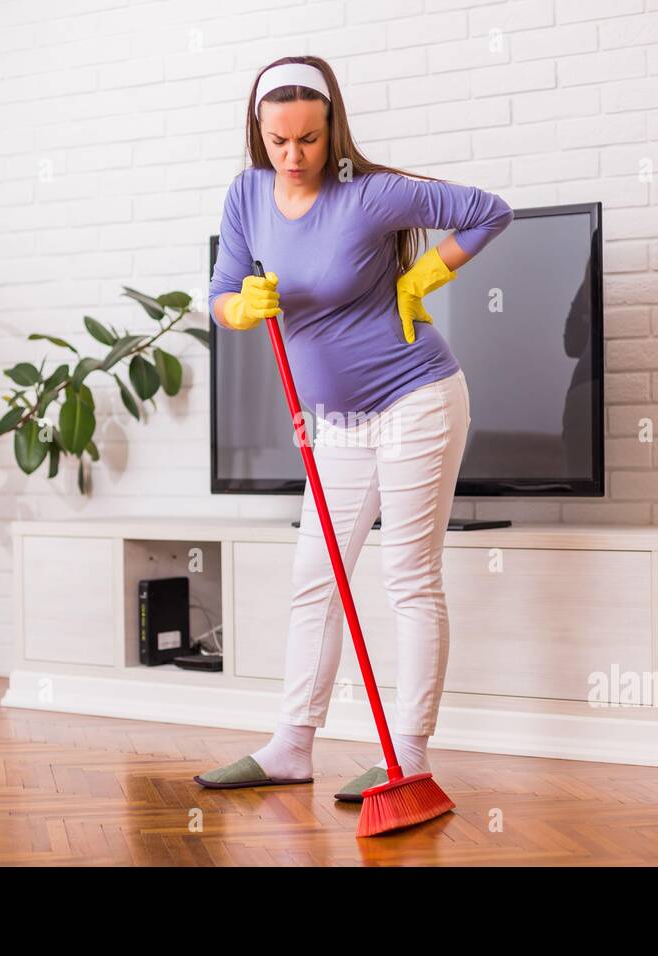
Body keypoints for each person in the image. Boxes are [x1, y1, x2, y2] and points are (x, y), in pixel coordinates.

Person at [195, 55, 512, 802]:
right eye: (278, 141)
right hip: (334, 423)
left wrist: (425, 274)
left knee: (408, 578)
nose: (294, 156)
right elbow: (218, 293)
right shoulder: (247, 195)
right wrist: (242, 308)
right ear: (258, 135)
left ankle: (408, 757)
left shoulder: (371, 196)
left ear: (332, 127)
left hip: (415, 399)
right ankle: (292, 746)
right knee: (316, 579)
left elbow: (490, 210)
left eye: (308, 138)